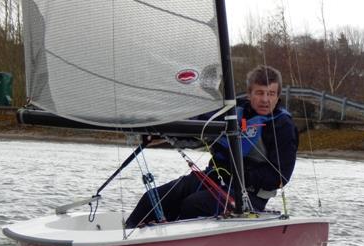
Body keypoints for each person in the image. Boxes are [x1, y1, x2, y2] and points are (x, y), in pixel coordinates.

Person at [125, 65, 298, 228]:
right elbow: (198, 123)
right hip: (214, 179)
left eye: (271, 94)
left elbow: (280, 176)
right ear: (249, 94)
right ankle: (125, 236)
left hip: (250, 196)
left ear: (278, 96)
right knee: (154, 199)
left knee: (193, 205)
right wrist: (159, 127)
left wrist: (241, 176)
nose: (265, 100)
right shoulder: (232, 112)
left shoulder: (283, 126)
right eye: (260, 93)